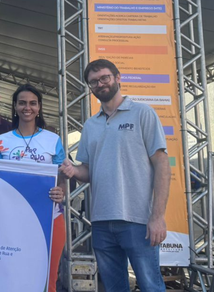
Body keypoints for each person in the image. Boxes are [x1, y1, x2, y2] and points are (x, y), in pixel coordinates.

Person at [59, 59, 169, 292]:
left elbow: (162, 165)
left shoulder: (143, 113)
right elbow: (87, 171)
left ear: (118, 77)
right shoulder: (90, 125)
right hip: (100, 221)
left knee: (151, 286)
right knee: (113, 288)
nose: (100, 84)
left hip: (138, 220)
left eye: (104, 78)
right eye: (93, 82)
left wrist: (157, 216)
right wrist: (73, 170)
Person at [0, 84, 66, 292]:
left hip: (50, 218)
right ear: (14, 106)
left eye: (33, 103)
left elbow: (63, 176)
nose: (27, 107)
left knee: (48, 278)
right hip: (11, 220)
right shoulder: (1, 141)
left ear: (39, 107)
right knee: (13, 275)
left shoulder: (52, 139)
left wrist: (62, 191)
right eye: (22, 103)